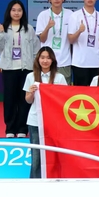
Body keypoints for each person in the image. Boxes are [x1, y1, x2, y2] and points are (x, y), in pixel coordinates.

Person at [0, 0, 39, 138]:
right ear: (9, 12)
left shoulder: (29, 29)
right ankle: (10, 128)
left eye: (19, 10)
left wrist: (34, 67)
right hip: (9, 68)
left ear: (23, 12)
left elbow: (36, 49)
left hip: (26, 69)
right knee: (10, 99)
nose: (16, 13)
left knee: (24, 99)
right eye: (14, 10)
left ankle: (22, 128)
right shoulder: (3, 28)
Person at [23, 46, 67, 178]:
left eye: (48, 58)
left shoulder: (59, 77)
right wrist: (31, 93)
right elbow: (28, 100)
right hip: (35, 121)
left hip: (54, 122)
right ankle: (35, 183)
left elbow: (65, 99)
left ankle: (54, 181)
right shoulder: (31, 76)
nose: (45, 61)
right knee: (36, 157)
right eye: (42, 58)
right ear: (38, 59)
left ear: (52, 60)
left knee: (55, 154)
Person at [67, 0, 99, 86]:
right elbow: (70, 40)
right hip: (79, 63)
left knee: (96, 92)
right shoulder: (75, 16)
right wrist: (79, 31)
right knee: (81, 92)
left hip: (96, 62)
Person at [35, 0, 73, 85]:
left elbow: (72, 39)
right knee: (47, 89)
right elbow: (42, 39)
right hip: (47, 61)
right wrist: (48, 27)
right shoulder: (43, 15)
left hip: (64, 60)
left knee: (64, 91)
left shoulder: (70, 14)